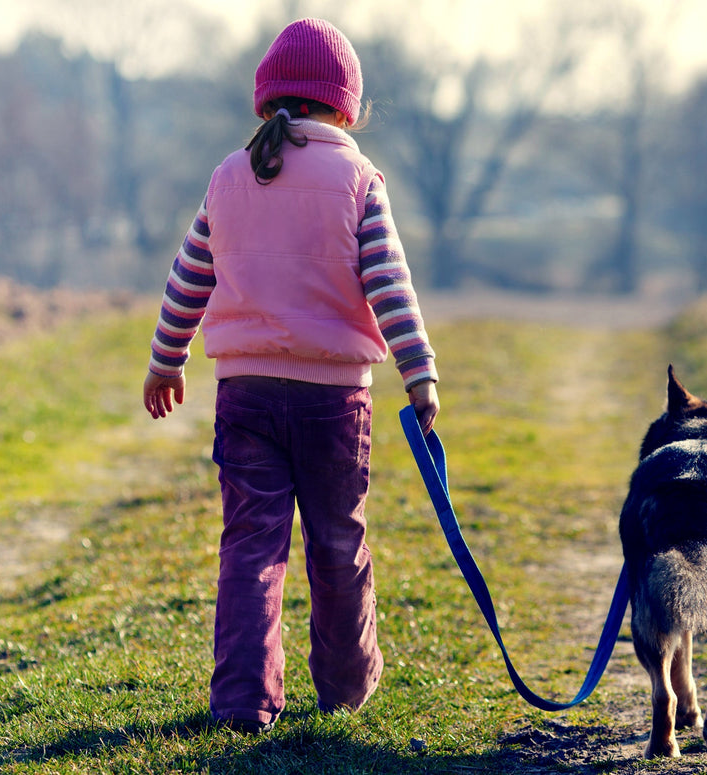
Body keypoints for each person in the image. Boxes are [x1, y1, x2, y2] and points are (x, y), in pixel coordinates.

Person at [141, 17, 439, 734]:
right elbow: (389, 285)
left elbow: (189, 276)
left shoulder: (229, 175)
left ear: (268, 99)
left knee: (251, 547)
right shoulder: (358, 180)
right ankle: (345, 686)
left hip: (245, 393)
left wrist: (166, 358)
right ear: (345, 108)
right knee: (337, 542)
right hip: (334, 401)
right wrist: (418, 371)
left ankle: (243, 700)